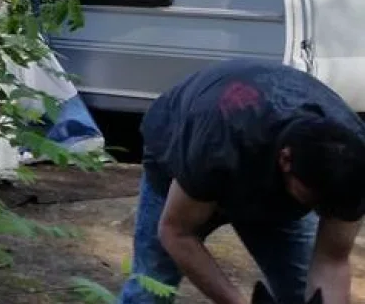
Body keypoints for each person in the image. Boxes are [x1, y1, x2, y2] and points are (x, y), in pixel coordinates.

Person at [120, 58, 365, 304]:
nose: (320, 211)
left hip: (263, 178)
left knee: (300, 293)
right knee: (150, 287)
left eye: (330, 205)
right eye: (314, 199)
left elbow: (332, 261)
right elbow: (176, 232)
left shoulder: (352, 166)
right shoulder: (218, 144)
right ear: (286, 160)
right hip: (189, 154)